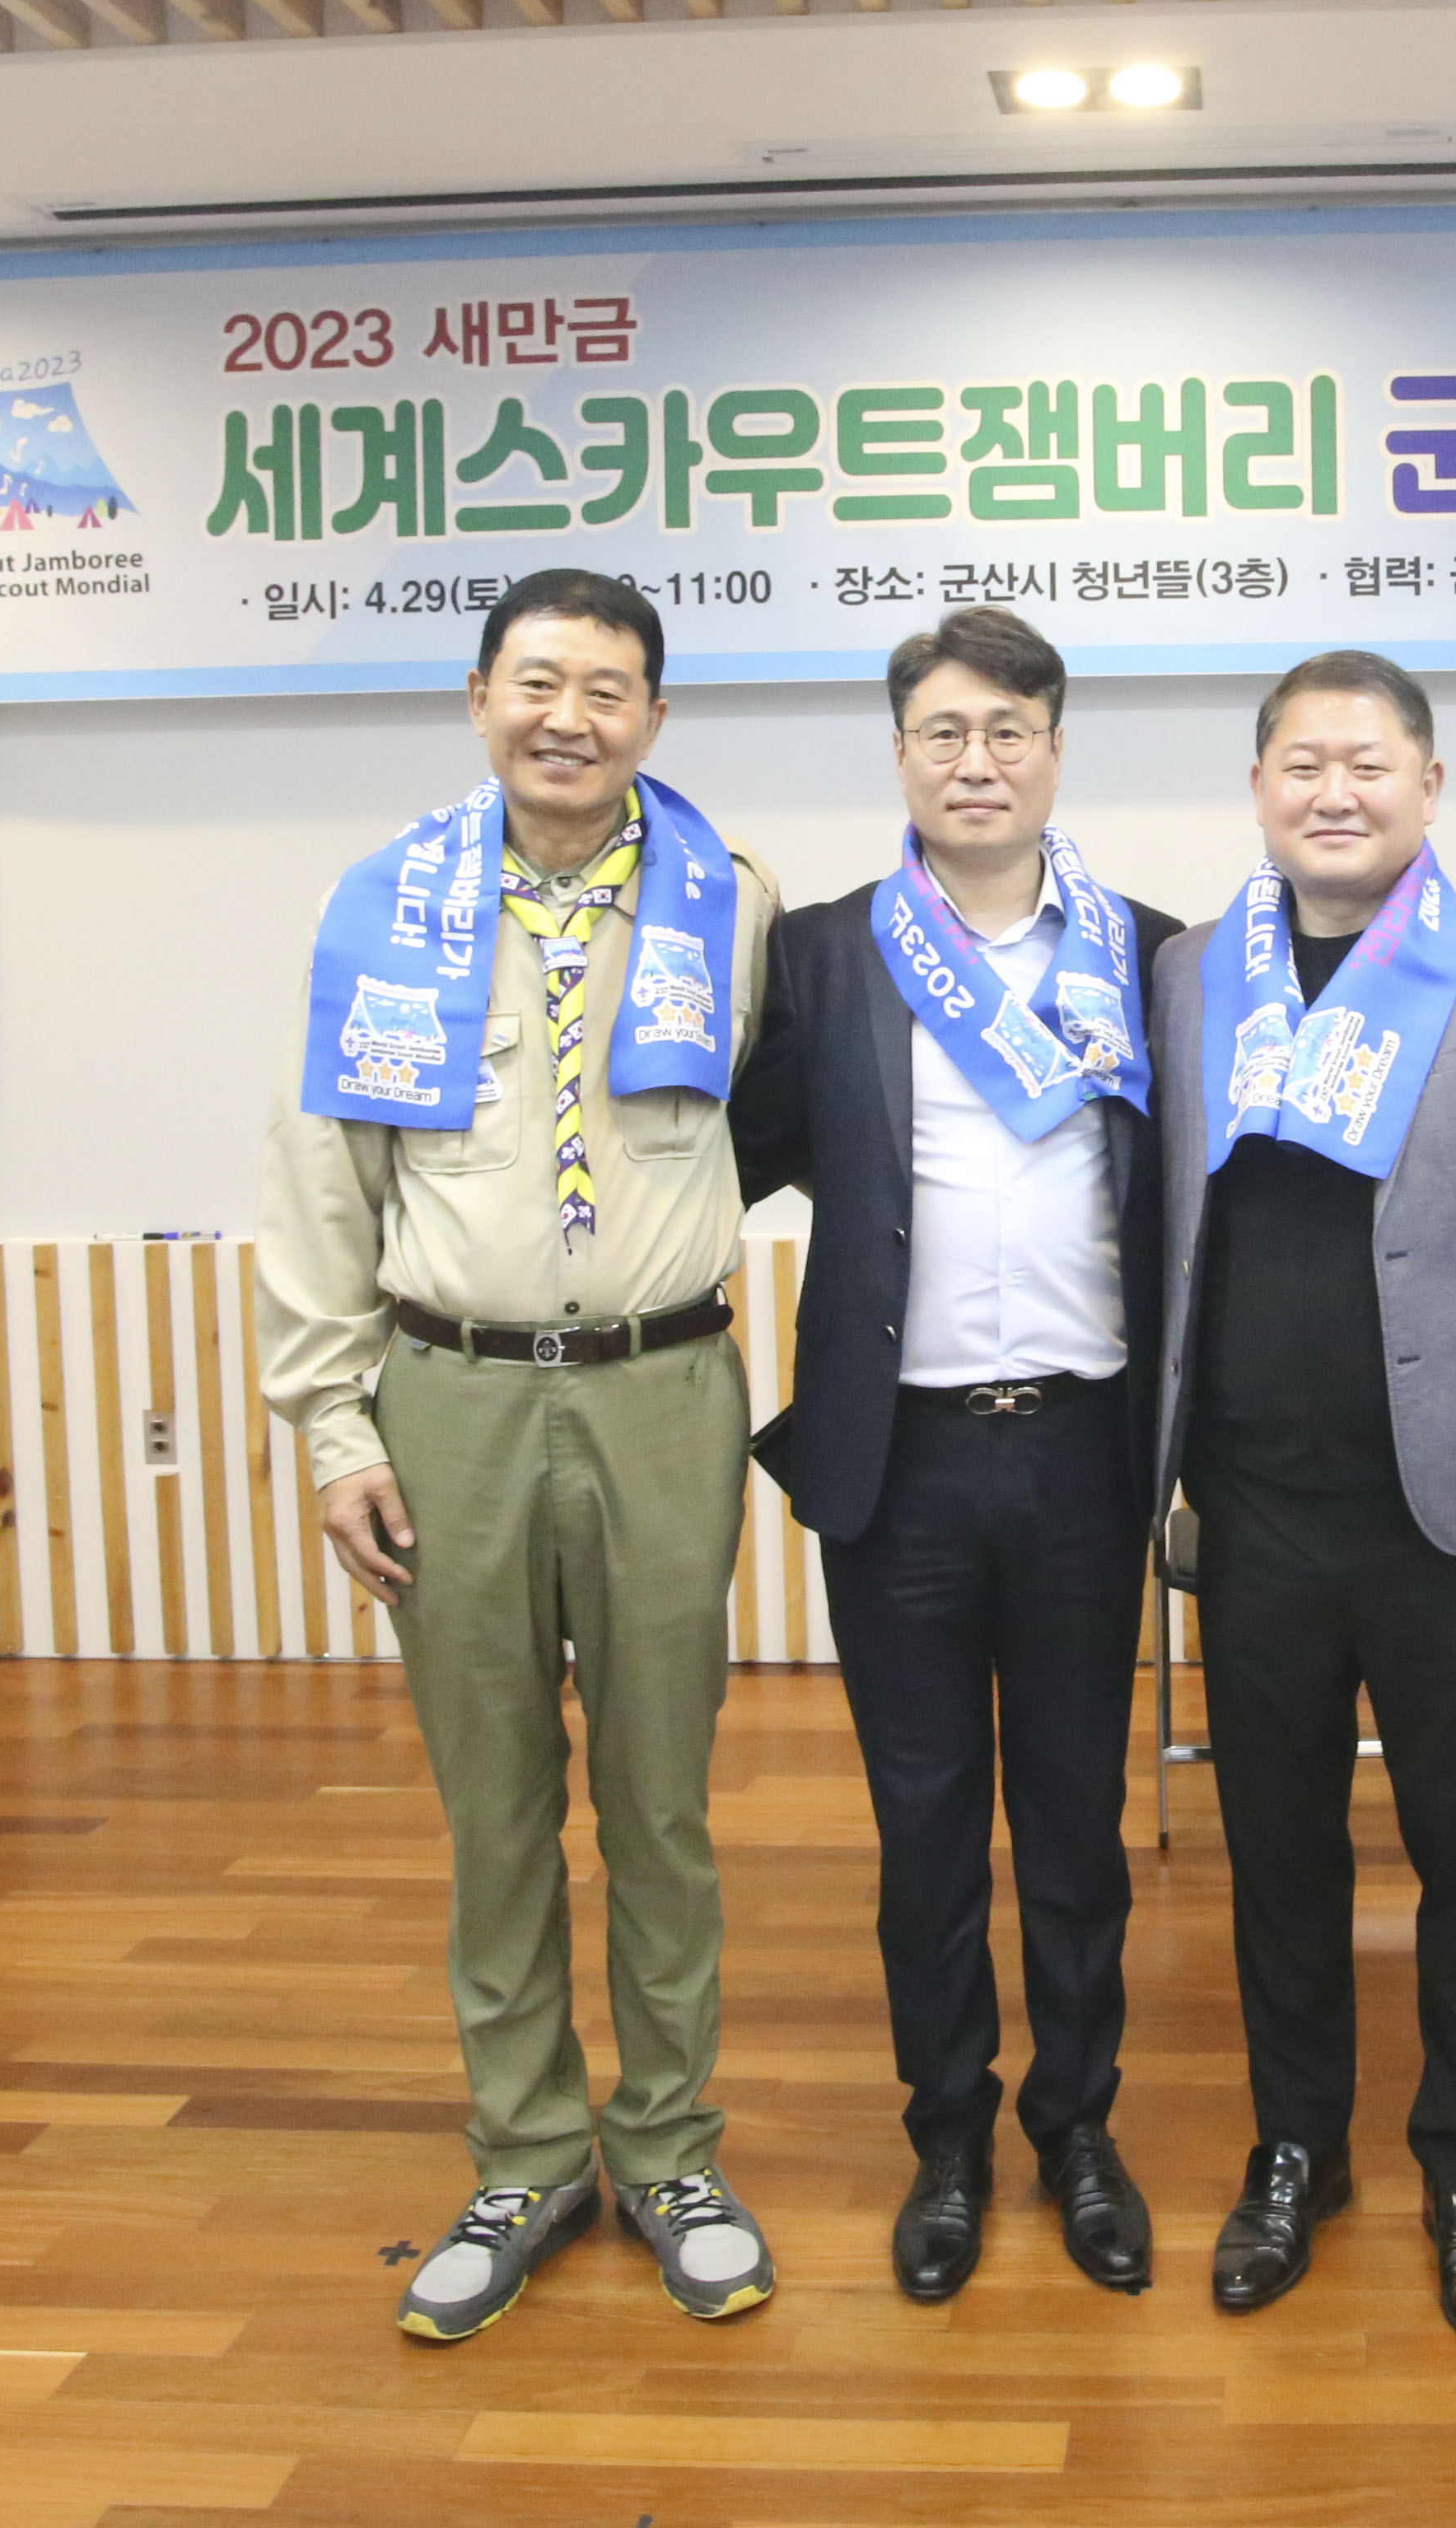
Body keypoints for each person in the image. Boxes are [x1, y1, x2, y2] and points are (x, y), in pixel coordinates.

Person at [255, 567, 787, 2343]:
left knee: (660, 1801)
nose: (571, 717)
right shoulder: (381, 909)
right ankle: (529, 2153)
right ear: (479, 698)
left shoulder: (733, 902)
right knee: (495, 1806)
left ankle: (672, 2150)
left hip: (662, 1393)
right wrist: (335, 1425)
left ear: (656, 717)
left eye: (608, 688)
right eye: (538, 682)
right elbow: (323, 1180)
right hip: (452, 1400)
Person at [1147, 648, 1456, 2354]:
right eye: (1301, 764)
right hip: (1253, 1510)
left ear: (1430, 784)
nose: (1333, 792)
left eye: (1367, 763)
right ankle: (1296, 2151)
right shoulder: (1192, 971)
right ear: (1258, 788)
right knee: (1276, 1854)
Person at [729, 606, 1176, 2304]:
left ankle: (1080, 2128)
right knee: (922, 1827)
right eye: (943, 732)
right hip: (898, 1462)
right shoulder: (824, 956)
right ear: (901, 753)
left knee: (1073, 1822)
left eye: (1006, 731)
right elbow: (734, 1153)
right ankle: (948, 2138)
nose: (974, 761)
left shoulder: (1154, 956)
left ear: (1055, 750)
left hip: (1081, 1452)